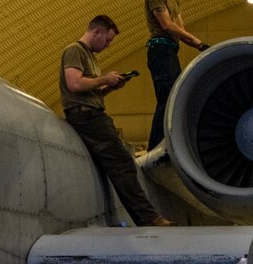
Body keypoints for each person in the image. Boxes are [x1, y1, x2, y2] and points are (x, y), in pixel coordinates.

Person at [60, 15, 170, 226]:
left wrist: (110, 87)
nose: (108, 45)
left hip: (92, 111)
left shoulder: (89, 56)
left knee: (121, 161)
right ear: (97, 32)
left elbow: (90, 92)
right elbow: (74, 84)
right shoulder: (74, 50)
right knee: (122, 162)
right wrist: (104, 78)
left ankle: (146, 216)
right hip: (86, 117)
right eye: (107, 40)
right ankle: (147, 218)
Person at [143, 0, 208, 149]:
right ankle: (156, 147)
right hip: (160, 49)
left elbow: (180, 28)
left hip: (171, 50)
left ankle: (169, 142)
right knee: (167, 98)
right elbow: (167, 25)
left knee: (174, 97)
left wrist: (198, 44)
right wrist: (197, 42)